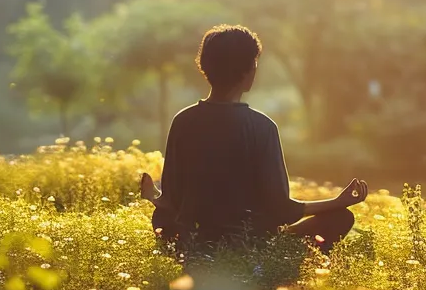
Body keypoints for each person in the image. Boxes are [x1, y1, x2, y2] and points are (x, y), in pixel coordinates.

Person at [139, 25, 365, 256]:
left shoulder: (183, 122)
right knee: (341, 218)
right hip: (251, 250)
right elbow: (282, 209)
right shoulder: (262, 128)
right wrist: (338, 201)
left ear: (205, 66)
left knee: (163, 219)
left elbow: (172, 201)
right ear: (248, 71)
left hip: (195, 246)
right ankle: (275, 275)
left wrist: (155, 198)